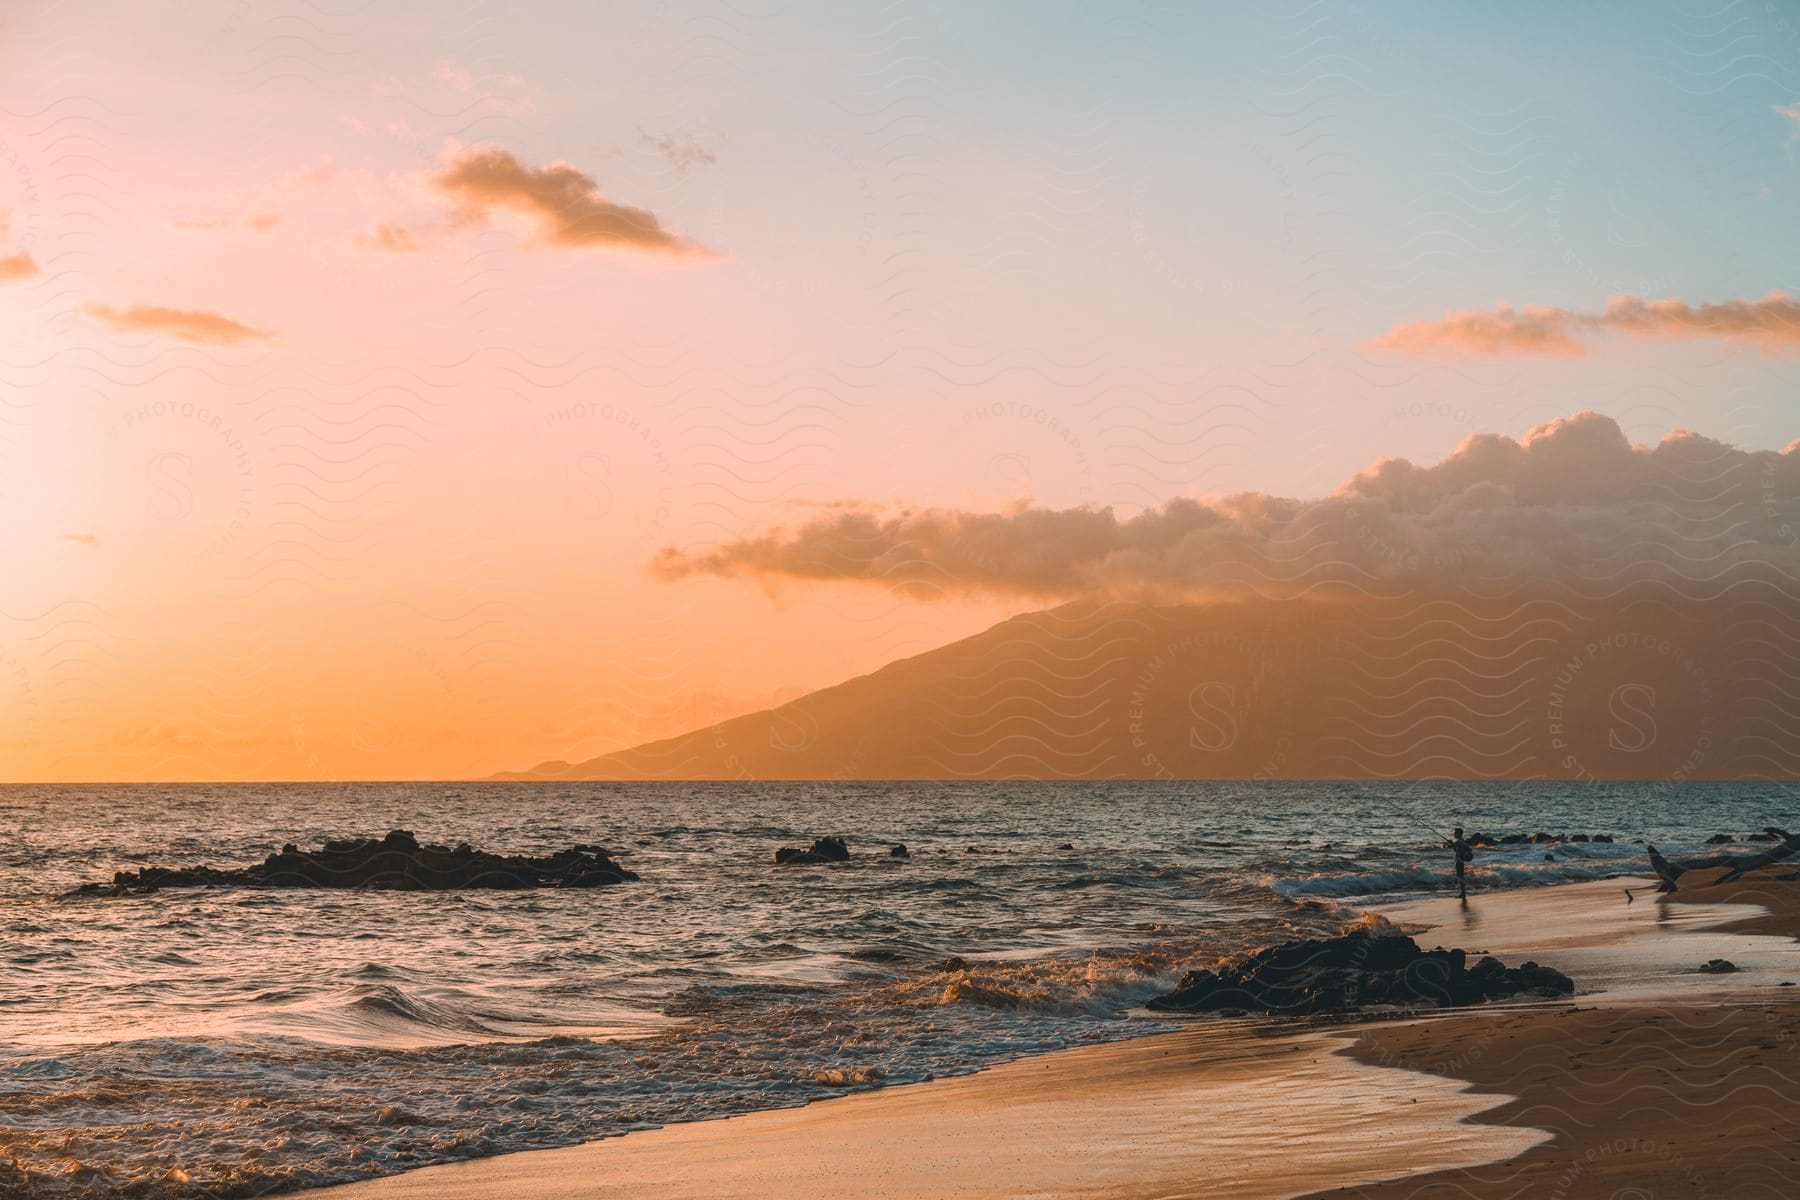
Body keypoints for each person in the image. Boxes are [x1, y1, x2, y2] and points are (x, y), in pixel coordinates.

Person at [1449, 827, 1473, 900]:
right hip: (1460, 861)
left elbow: (1450, 847)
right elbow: (1456, 850)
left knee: (1460, 877)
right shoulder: (1461, 841)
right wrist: (1451, 844)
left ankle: (1463, 893)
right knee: (1460, 876)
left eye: (1455, 832)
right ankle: (1463, 893)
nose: (1454, 834)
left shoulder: (1459, 842)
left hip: (1459, 861)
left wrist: (1450, 844)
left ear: (1459, 834)